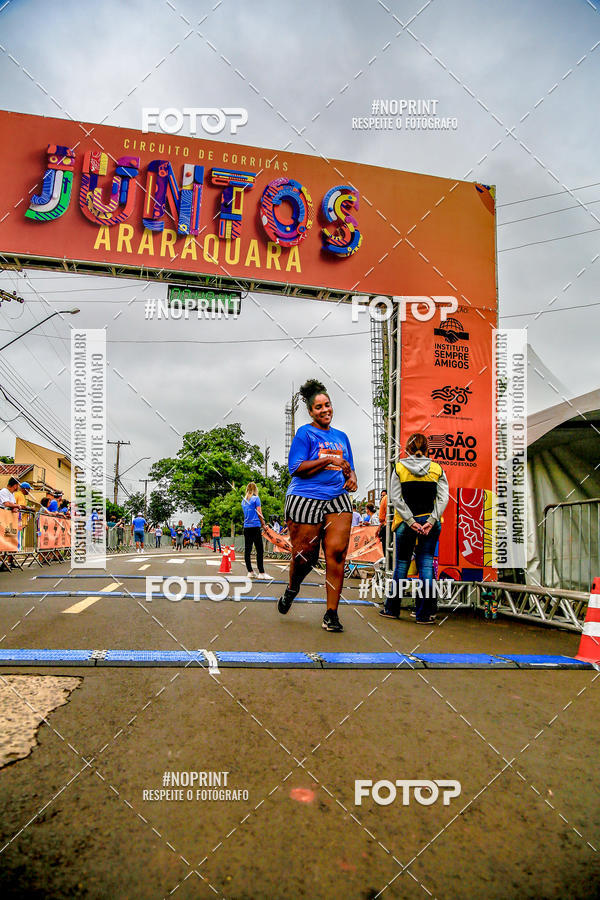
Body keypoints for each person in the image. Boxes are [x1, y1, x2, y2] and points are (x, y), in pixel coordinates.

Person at [278, 378, 357, 633]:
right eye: (319, 407)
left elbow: (349, 468)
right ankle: (292, 589)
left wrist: (352, 478)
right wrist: (327, 460)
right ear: (311, 411)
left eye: (328, 405)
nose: (325, 410)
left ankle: (331, 613)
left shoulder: (342, 437)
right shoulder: (305, 433)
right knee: (306, 558)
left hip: (337, 497)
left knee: (336, 553)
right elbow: (295, 468)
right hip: (305, 497)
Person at [381, 433, 449, 624]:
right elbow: (444, 497)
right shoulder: (437, 469)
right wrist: (431, 519)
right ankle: (425, 614)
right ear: (428, 449)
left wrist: (411, 521)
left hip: (405, 524)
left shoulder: (399, 468)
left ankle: (392, 609)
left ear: (408, 449)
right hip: (431, 523)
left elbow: (395, 498)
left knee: (402, 564)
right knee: (426, 564)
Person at [242, 482, 269, 580]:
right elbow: (259, 512)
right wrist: (264, 524)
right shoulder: (256, 499)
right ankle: (261, 572)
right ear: (255, 489)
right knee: (259, 550)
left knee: (247, 550)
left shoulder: (244, 501)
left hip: (246, 527)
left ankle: (250, 571)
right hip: (255, 526)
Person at [376, 489, 388, 558]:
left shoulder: (384, 500)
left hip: (387, 527)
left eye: (383, 495)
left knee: (386, 550)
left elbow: (381, 518)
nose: (382, 497)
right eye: (381, 496)